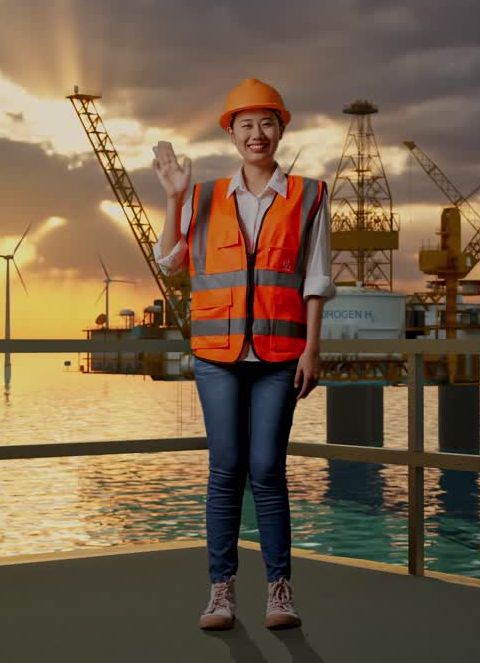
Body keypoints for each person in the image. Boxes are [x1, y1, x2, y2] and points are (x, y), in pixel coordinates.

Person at [151, 77, 334, 631]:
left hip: (280, 354)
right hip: (217, 354)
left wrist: (312, 349)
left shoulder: (309, 195)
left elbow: (317, 277)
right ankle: (221, 592)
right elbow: (170, 262)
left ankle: (280, 591)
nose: (258, 134)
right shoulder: (202, 195)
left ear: (282, 128)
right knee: (226, 469)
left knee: (267, 471)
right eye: (245, 124)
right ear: (231, 133)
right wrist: (174, 196)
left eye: (267, 123)